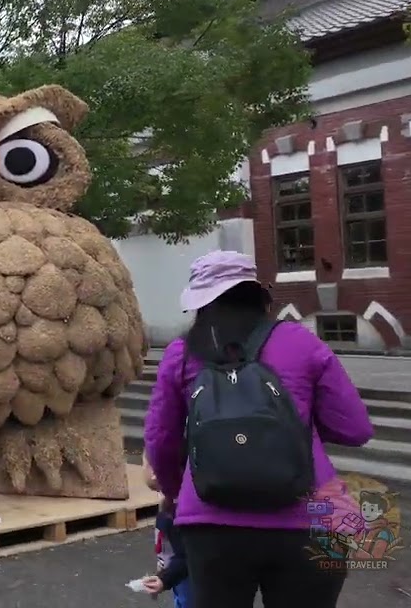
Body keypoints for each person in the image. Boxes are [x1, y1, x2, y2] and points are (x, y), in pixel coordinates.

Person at [144, 251, 373, 608]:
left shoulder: (182, 354)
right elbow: (356, 429)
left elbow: (160, 441)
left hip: (211, 524)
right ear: (258, 294)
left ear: (200, 304)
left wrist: (179, 492)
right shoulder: (302, 342)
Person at [136, 463, 190, 607]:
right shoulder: (166, 507)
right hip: (177, 577)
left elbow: (187, 556)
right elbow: (166, 549)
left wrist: (163, 579)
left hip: (187, 580)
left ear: (154, 472)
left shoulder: (175, 515)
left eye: (144, 463)